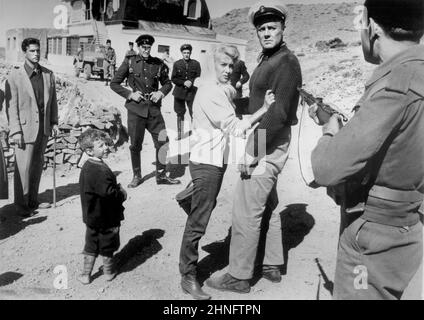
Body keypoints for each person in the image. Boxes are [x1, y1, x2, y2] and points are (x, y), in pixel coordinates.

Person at [309, 0, 424, 300]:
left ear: (372, 27)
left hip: (372, 242)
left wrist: (329, 133)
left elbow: (326, 168)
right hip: (409, 231)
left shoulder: (394, 85)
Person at [206, 0, 302, 293]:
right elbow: (262, 104)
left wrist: (251, 151)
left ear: (283, 28)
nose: (266, 33)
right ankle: (272, 263)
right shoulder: (269, 59)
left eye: (272, 27)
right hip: (269, 139)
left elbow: (279, 114)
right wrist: (233, 101)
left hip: (267, 141)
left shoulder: (285, 63)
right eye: (262, 29)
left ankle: (239, 275)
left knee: (246, 209)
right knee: (268, 203)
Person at [179, 44, 275, 300]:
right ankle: (187, 276)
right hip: (206, 163)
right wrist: (263, 110)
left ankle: (194, 196)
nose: (228, 70)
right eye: (223, 65)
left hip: (213, 160)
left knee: (203, 207)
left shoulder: (221, 89)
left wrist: (243, 87)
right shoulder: (211, 92)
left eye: (231, 66)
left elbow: (232, 93)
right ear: (212, 65)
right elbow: (234, 126)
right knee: (199, 220)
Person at [110, 34, 181, 188]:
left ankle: (161, 175)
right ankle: (137, 175)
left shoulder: (158, 64)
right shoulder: (129, 62)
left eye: (149, 47)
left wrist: (161, 92)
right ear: (138, 47)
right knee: (135, 144)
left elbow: (168, 83)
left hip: (154, 110)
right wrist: (130, 94)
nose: (146, 50)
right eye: (143, 47)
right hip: (136, 110)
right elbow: (114, 83)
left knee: (163, 142)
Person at [5, 38, 59, 216]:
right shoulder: (14, 76)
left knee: (37, 166)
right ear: (25, 52)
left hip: (43, 129)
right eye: (32, 51)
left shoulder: (48, 74)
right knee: (23, 169)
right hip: (24, 130)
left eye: (38, 50)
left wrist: (54, 122)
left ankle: (33, 201)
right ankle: (21, 206)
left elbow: (53, 103)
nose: (36, 54)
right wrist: (15, 131)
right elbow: (11, 108)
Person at [77, 128, 127, 284]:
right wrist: (121, 193)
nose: (106, 148)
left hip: (92, 216)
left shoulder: (87, 166)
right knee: (107, 245)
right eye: (101, 146)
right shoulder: (99, 170)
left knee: (91, 244)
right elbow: (109, 193)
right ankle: (108, 271)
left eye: (105, 144)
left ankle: (86, 275)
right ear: (90, 151)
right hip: (107, 217)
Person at [171, 44, 201, 140]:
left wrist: (191, 82)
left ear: (190, 53)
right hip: (179, 92)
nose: (186, 54)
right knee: (180, 113)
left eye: (188, 53)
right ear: (182, 53)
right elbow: (173, 78)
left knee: (194, 113)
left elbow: (198, 77)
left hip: (191, 93)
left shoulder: (196, 64)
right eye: (184, 53)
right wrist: (184, 82)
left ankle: (196, 133)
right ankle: (180, 133)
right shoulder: (177, 64)